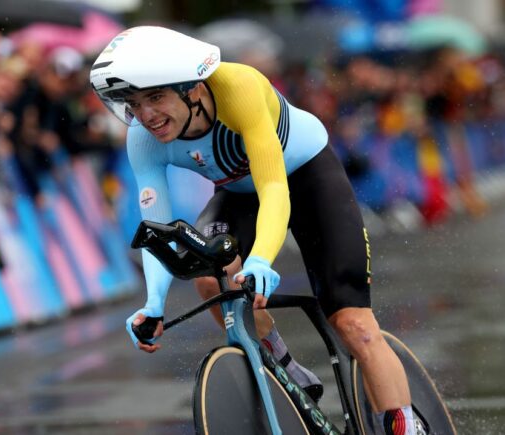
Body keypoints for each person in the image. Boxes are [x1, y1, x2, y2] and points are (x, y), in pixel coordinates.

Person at [90, 26, 417, 434]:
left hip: (304, 175)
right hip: (239, 191)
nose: (146, 116)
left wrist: (261, 258)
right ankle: (284, 367)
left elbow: (275, 186)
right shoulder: (142, 139)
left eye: (156, 97)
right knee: (209, 277)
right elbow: (157, 230)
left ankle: (407, 423)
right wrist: (153, 302)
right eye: (134, 103)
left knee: (353, 324)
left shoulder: (239, 86)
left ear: (192, 87)